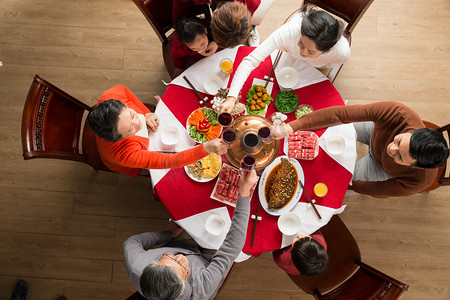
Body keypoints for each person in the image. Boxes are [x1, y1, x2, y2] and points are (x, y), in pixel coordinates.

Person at [123, 170, 258, 299]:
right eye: (181, 266)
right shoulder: (202, 288)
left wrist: (168, 234)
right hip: (208, 262)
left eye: (169, 256)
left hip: (181, 243)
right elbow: (231, 247)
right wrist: (244, 192)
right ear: (183, 288)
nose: (180, 257)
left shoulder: (137, 264)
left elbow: (131, 242)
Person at [271, 101, 449, 198]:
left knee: (339, 182)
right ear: (414, 131)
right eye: (399, 140)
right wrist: (292, 127)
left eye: (400, 157)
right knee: (333, 126)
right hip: (374, 131)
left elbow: (380, 190)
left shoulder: (420, 180)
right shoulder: (399, 113)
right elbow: (341, 114)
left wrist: (348, 184)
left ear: (416, 166)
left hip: (381, 168)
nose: (391, 148)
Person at [220, 4, 350, 113]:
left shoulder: (341, 52)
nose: (302, 52)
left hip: (315, 66)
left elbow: (332, 68)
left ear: (326, 50)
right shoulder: (291, 30)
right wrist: (232, 97)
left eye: (310, 51)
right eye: (301, 43)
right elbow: (250, 60)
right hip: (289, 57)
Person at [87, 85, 229, 177]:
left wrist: (146, 113)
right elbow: (169, 161)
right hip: (124, 160)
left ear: (122, 105)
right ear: (119, 138)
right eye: (131, 129)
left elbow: (124, 90)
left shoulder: (110, 96)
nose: (138, 122)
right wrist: (207, 148)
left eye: (131, 115)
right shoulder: (124, 154)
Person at [173, 0, 262, 48]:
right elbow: (179, 2)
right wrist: (178, 24)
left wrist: (216, 43)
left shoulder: (252, 2)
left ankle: (252, 29)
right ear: (214, 13)